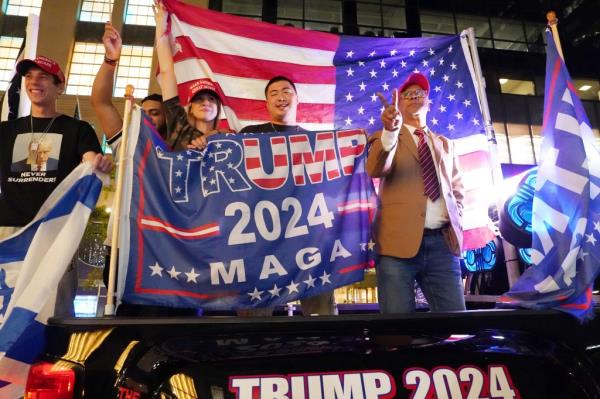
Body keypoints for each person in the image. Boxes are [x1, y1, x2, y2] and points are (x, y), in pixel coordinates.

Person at [0, 55, 112, 316]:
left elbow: (89, 160)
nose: (34, 82)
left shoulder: (77, 129)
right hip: (10, 229)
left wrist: (96, 163)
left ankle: (56, 353)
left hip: (56, 228)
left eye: (43, 77)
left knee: (55, 302)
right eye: (29, 77)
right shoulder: (5, 131)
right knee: (8, 299)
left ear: (60, 86)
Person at [366, 72, 466, 313]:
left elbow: (457, 190)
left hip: (443, 246)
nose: (413, 97)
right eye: (407, 94)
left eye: (419, 93)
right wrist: (390, 130)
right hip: (396, 246)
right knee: (397, 331)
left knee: (457, 326)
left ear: (428, 102)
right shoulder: (384, 137)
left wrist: (456, 219)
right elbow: (376, 168)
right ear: (398, 104)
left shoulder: (445, 144)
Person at [240, 75, 335, 316]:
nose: (280, 97)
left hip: (306, 237)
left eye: (286, 91)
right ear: (266, 102)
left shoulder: (315, 141)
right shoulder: (249, 135)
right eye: (273, 93)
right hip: (260, 238)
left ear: (297, 99)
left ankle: (325, 352)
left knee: (320, 313)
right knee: (253, 316)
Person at [153, 0, 224, 151]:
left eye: (211, 99)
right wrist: (161, 28)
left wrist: (213, 135)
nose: (205, 103)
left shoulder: (227, 138)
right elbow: (167, 72)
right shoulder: (179, 128)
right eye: (198, 99)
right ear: (190, 108)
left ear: (218, 108)